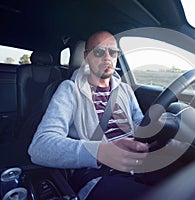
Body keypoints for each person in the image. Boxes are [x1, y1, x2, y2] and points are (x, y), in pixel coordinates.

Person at [28, 31, 151, 200]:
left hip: (138, 164)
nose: (107, 58)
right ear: (86, 56)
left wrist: (164, 123)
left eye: (113, 52)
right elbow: (39, 147)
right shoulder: (70, 90)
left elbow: (139, 125)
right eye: (99, 52)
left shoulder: (125, 90)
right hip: (101, 176)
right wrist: (99, 152)